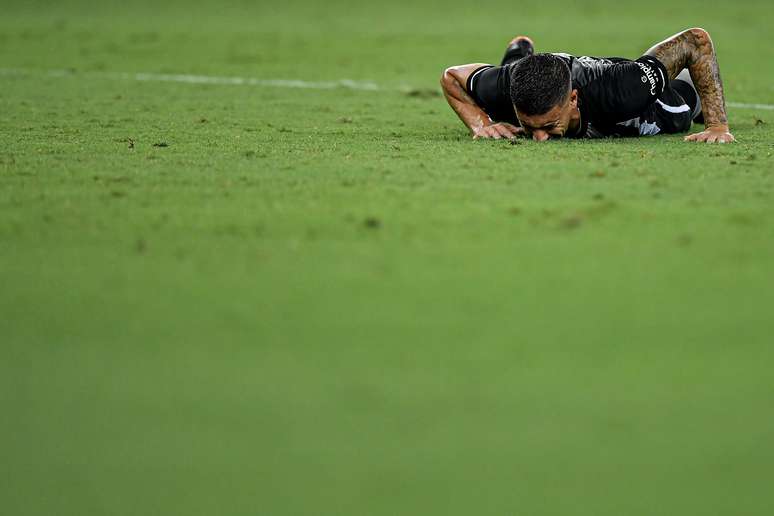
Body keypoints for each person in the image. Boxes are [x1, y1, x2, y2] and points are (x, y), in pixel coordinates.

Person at [440, 29, 735, 143]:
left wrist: (717, 126)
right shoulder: (505, 87)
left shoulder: (622, 90)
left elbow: (695, 41)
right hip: (534, 73)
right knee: (506, 83)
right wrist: (481, 123)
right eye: (529, 128)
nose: (539, 139)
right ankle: (520, 51)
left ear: (573, 99)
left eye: (549, 125)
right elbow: (452, 77)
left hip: (656, 103)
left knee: (687, 105)